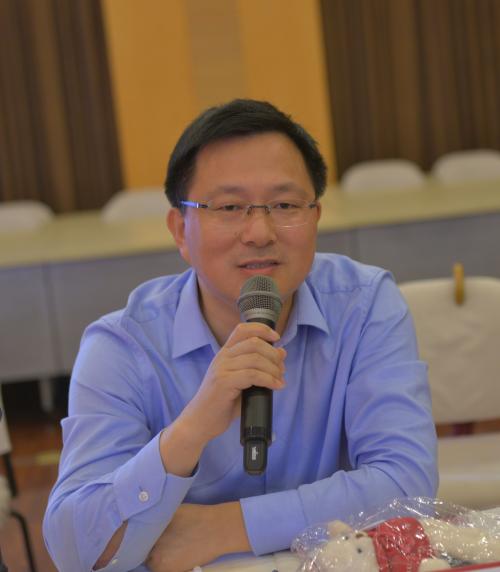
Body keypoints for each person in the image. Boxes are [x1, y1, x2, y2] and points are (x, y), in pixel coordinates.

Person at [43, 99, 438, 572]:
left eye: (285, 205)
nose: (259, 232)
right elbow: (73, 549)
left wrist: (224, 528)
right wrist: (190, 430)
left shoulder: (365, 304)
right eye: (229, 207)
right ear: (180, 230)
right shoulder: (122, 346)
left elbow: (406, 481)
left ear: (315, 216)